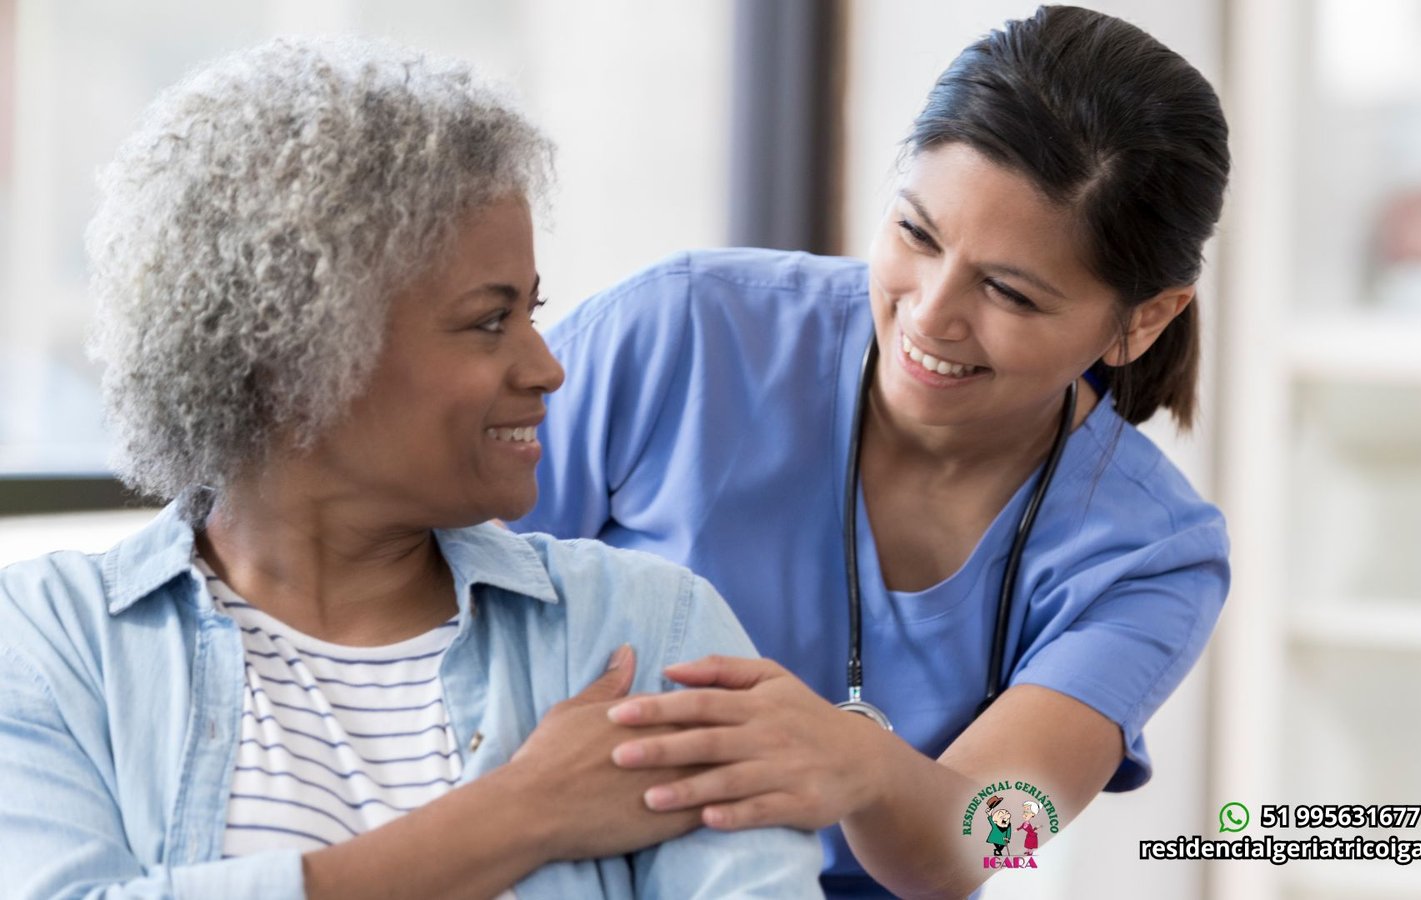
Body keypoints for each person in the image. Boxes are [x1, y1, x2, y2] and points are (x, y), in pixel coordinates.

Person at [0, 36, 821, 899]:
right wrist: (519, 813)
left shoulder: (649, 629)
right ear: (299, 357)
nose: (547, 367)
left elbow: (953, 847)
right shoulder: (55, 643)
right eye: (488, 321)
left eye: (531, 311)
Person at [512, 5, 1231, 897]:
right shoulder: (687, 332)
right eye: (915, 234)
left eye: (1008, 292)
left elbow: (979, 843)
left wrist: (860, 763)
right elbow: (429, 587)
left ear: (1146, 318)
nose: (928, 314)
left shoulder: (1152, 557)